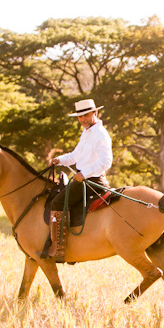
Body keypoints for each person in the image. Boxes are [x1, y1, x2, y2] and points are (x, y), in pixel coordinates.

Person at [40, 99, 113, 262]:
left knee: (57, 203)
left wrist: (84, 173)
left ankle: (58, 248)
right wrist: (59, 160)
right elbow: (75, 156)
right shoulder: (87, 132)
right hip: (83, 178)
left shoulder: (101, 135)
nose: (82, 120)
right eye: (79, 117)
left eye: (85, 115)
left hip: (91, 181)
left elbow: (106, 161)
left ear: (95, 113)